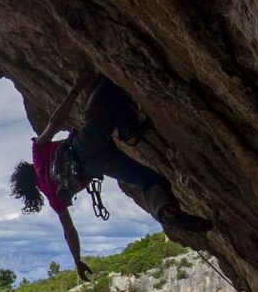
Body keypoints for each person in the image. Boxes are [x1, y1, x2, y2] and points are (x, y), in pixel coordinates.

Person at [11, 68, 212, 280]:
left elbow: (69, 231)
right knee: (104, 90)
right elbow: (55, 122)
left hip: (100, 166)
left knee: (147, 179)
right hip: (85, 144)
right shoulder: (38, 156)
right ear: (27, 170)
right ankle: (128, 130)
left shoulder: (53, 196)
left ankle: (164, 212)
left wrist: (77, 262)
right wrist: (77, 87)